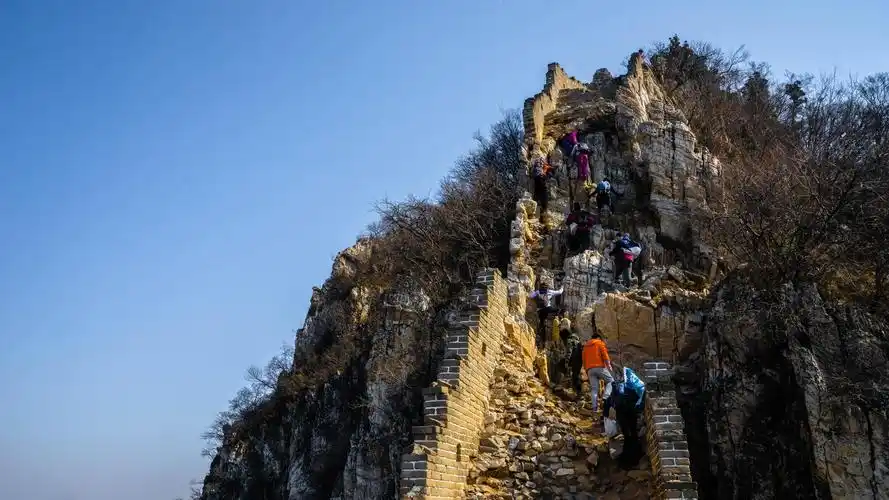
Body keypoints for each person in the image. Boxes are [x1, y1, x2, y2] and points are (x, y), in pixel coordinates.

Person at [581, 331, 614, 413]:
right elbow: (605, 354)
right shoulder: (599, 343)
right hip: (599, 367)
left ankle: (595, 408)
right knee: (611, 381)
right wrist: (609, 365)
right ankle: (605, 397)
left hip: (589, 369)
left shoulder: (585, 346)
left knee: (594, 389)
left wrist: (586, 369)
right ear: (598, 338)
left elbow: (584, 359)